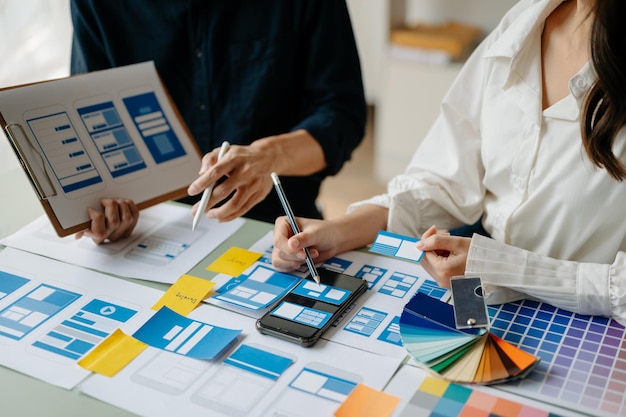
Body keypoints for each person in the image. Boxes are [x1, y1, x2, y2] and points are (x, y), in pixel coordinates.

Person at [272, 0, 626, 324]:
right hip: (492, 305)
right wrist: (340, 231)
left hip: (593, 327)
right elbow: (445, 181)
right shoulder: (522, 25)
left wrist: (504, 268)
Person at [69, 0, 367, 243]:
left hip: (275, 227)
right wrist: (105, 211)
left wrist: (269, 155)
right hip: (150, 228)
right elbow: (89, 116)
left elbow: (342, 115)